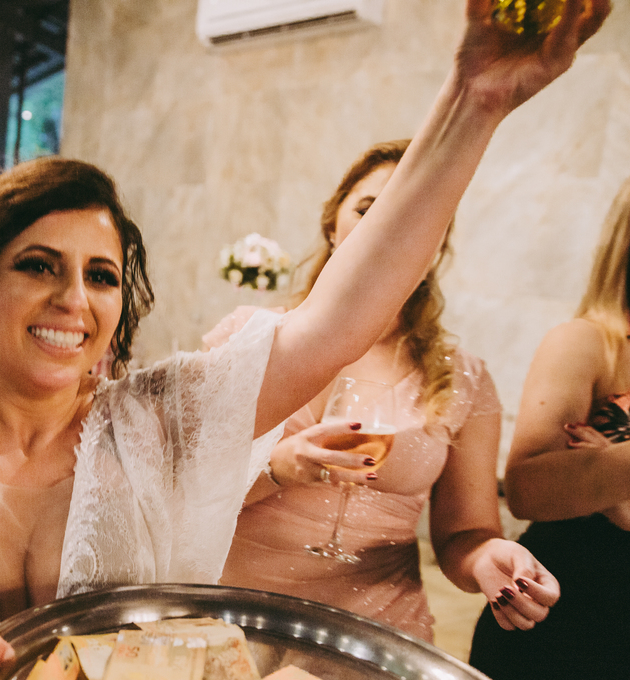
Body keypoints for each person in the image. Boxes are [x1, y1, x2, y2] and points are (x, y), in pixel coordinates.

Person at [0, 4, 608, 680]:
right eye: (37, 265)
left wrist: (475, 101)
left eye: (101, 276)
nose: (74, 299)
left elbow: (339, 320)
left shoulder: (155, 421)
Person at [215, 140, 558, 642]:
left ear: (436, 246)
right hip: (228, 615)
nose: (389, 226)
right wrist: (275, 467)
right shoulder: (247, 339)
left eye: (420, 214)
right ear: (332, 225)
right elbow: (177, 494)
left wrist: (487, 558)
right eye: (367, 209)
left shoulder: (464, 380)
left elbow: (465, 532)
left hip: (375, 632)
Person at [469, 152, 630, 680]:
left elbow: (596, 488)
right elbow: (531, 489)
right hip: (568, 619)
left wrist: (626, 497)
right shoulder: (586, 341)